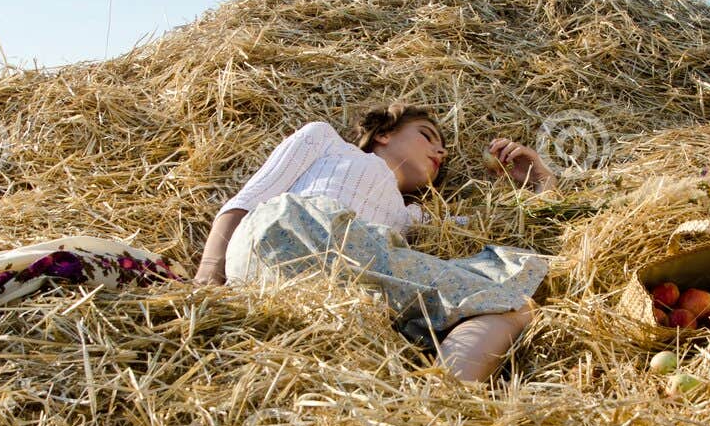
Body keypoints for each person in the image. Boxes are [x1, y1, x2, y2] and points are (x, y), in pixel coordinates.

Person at [193, 102, 558, 384]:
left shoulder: (408, 216)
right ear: (384, 133)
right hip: (288, 229)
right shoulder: (327, 143)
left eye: (442, 148)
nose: (440, 152)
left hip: (345, 284)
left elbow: (509, 219)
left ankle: (445, 404)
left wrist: (541, 178)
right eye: (426, 134)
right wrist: (206, 282)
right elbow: (248, 198)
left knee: (512, 300)